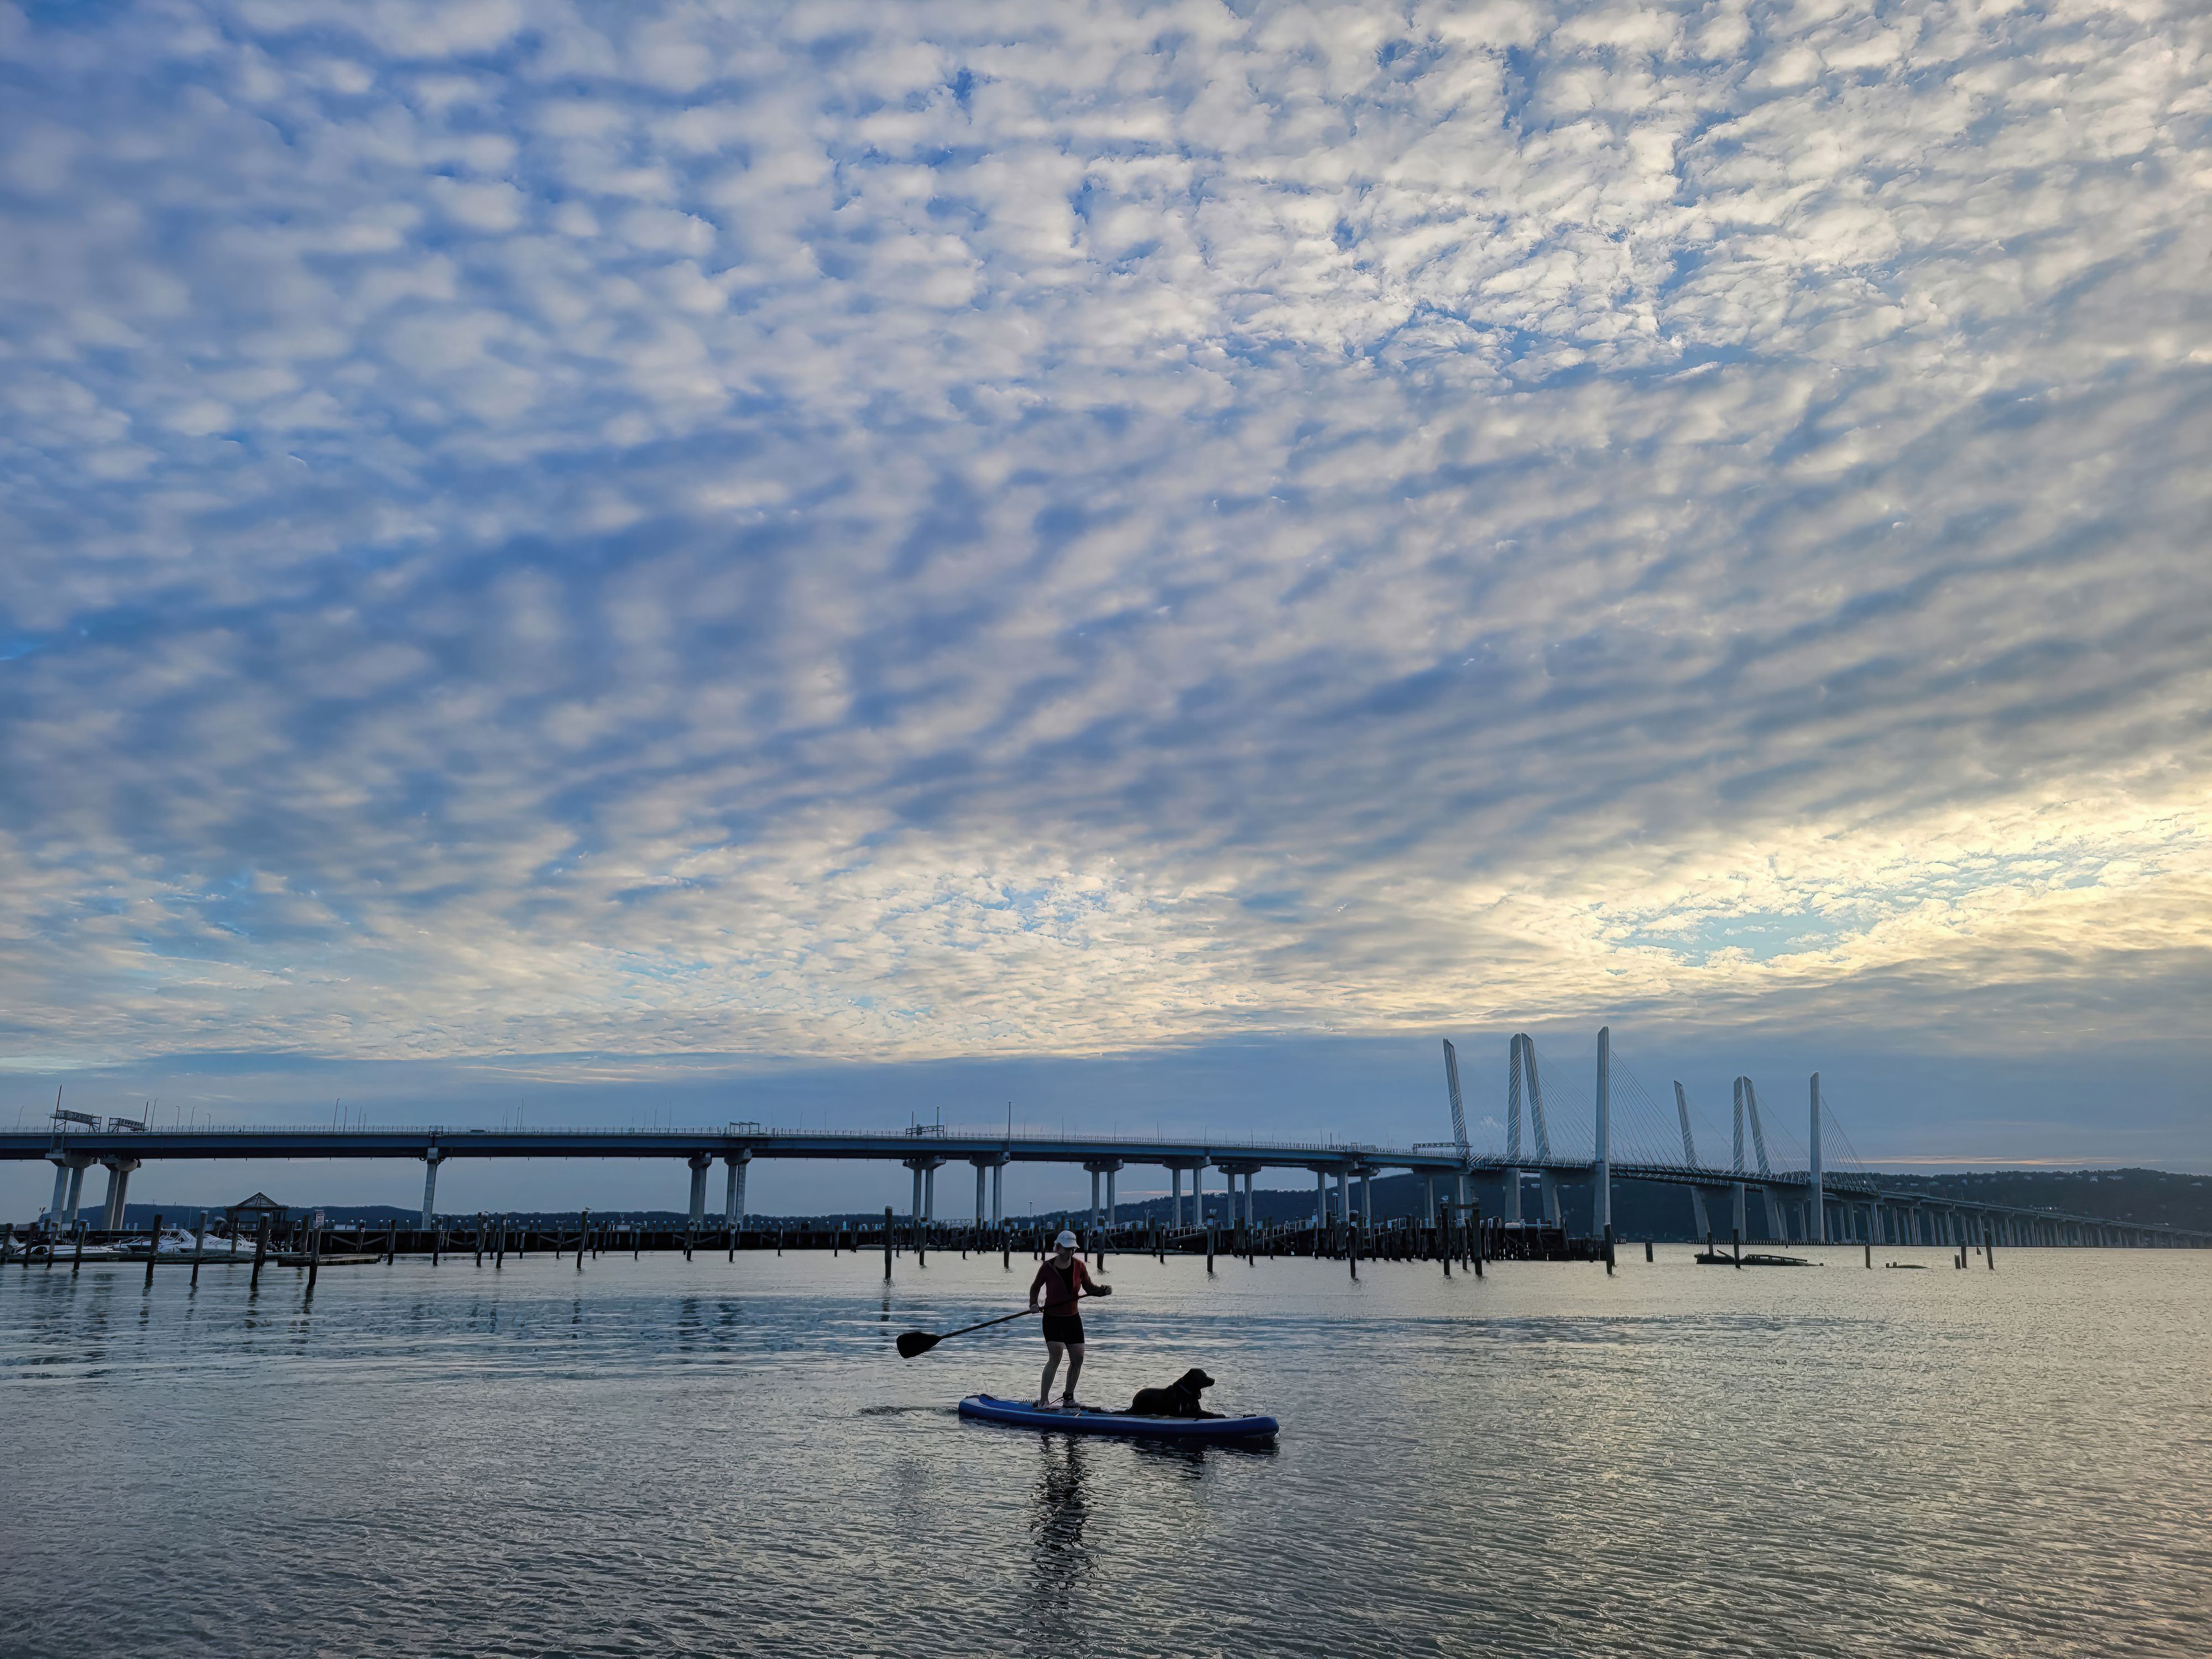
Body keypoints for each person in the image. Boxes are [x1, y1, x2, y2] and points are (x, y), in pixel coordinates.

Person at [1029, 1229, 1108, 1408]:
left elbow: (1090, 1288)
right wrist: (1033, 1304)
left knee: (1078, 1357)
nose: (1071, 1252)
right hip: (1052, 1319)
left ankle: (1069, 1398)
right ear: (1058, 1248)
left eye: (1073, 1249)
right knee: (1056, 1355)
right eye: (1067, 1249)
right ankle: (1043, 1401)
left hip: (1072, 1318)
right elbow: (1035, 1287)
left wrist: (1102, 1291)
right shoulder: (1047, 1267)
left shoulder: (1080, 1266)